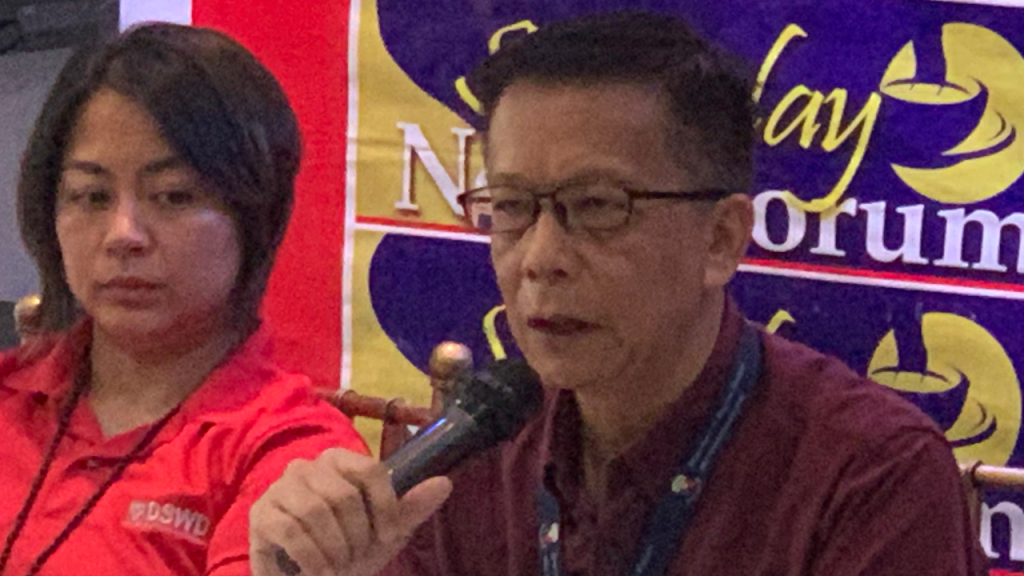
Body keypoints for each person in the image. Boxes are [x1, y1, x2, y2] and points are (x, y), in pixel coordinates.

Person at [249, 11, 984, 576]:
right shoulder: (476, 458)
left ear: (721, 238)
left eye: (597, 206)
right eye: (512, 208)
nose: (541, 259)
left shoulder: (870, 476)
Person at [0, 23, 368, 576]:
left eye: (173, 196)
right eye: (91, 196)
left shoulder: (292, 453)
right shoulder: (13, 395)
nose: (124, 234)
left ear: (253, 214)